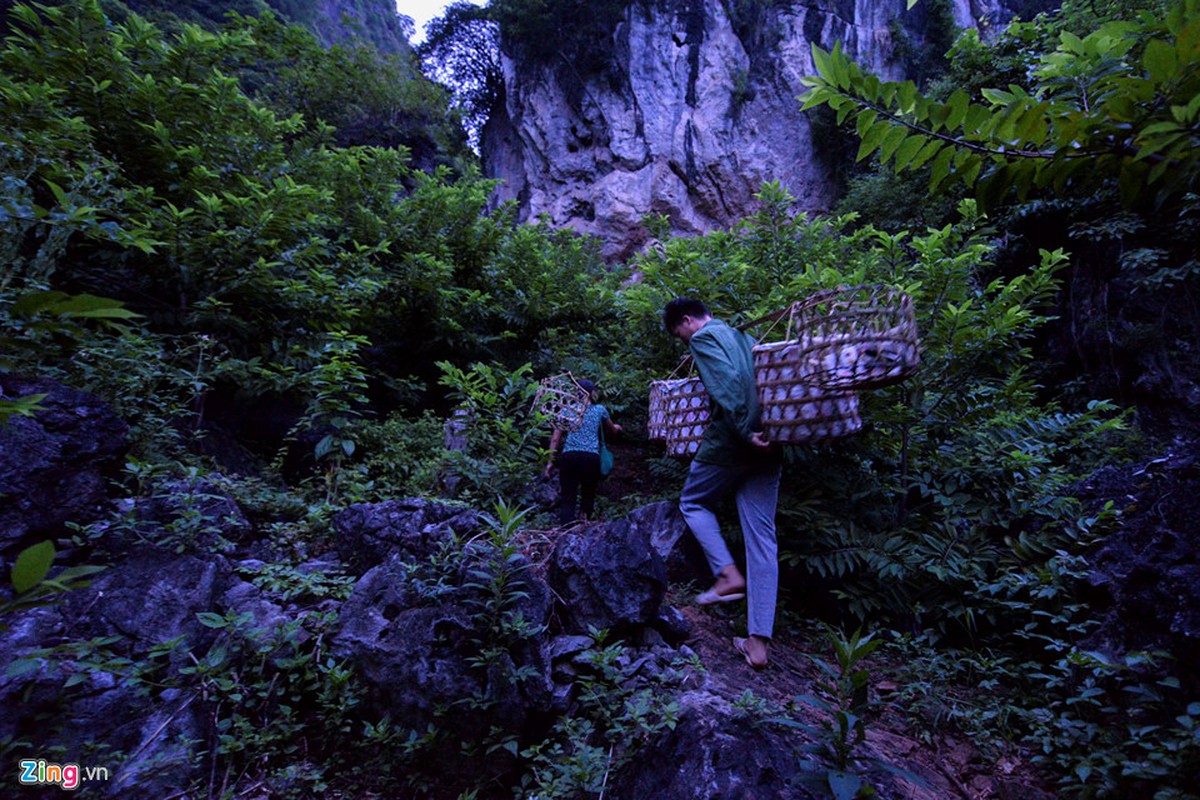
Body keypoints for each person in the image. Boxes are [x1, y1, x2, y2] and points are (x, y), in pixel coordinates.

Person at [662, 297, 782, 670]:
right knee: (762, 538)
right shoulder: (743, 337)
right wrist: (761, 431)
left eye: (679, 335)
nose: (684, 342)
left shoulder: (704, 338)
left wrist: (746, 431)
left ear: (686, 321)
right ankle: (758, 644)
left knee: (694, 503)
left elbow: (727, 386)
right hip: (773, 440)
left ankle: (727, 574)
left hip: (733, 442)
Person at [544, 379, 622, 525]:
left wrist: (550, 462)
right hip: (590, 458)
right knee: (588, 493)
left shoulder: (566, 411)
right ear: (592, 393)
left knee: (568, 496)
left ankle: (566, 530)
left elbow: (555, 439)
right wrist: (617, 427)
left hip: (569, 457)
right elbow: (612, 430)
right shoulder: (600, 410)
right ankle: (585, 528)